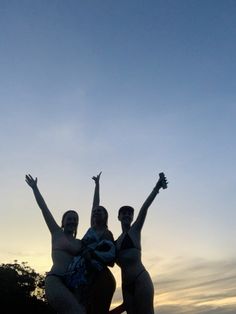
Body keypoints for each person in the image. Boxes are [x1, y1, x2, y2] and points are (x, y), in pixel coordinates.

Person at [25, 174, 85, 314]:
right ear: (63, 222)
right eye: (69, 219)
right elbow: (44, 209)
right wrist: (35, 188)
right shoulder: (57, 233)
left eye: (74, 219)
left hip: (74, 285)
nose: (72, 221)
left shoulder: (80, 243)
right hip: (56, 280)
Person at [115, 172, 168, 314]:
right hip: (126, 286)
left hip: (141, 279)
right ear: (118, 217)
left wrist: (157, 187)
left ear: (132, 217)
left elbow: (144, 208)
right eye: (123, 213)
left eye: (129, 213)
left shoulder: (135, 231)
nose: (127, 215)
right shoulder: (115, 242)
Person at [81, 172, 116, 314]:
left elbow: (111, 260)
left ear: (105, 216)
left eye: (99, 211)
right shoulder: (91, 229)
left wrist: (94, 255)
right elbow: (94, 204)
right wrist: (97, 185)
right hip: (85, 275)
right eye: (94, 212)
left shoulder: (107, 234)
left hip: (102, 277)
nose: (95, 212)